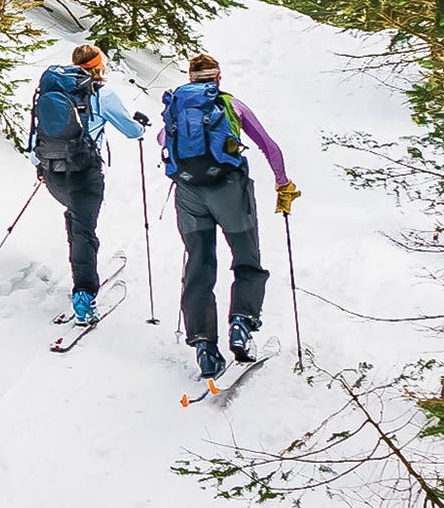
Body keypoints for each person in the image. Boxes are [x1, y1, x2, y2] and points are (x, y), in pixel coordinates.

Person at [161, 53, 296, 378]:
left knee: (199, 264)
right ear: (218, 78)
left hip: (189, 193)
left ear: (191, 78)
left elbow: (163, 140)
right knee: (247, 258)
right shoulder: (231, 105)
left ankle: (205, 347)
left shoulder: (176, 106)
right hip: (229, 190)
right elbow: (269, 146)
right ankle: (241, 323)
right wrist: (283, 184)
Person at [28, 44, 148, 324]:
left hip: (52, 173)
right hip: (84, 173)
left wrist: (42, 165)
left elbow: (36, 135)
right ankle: (84, 295)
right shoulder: (101, 94)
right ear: (98, 66)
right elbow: (131, 131)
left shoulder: (50, 92)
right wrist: (141, 125)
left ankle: (81, 270)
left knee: (76, 219)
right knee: (84, 232)